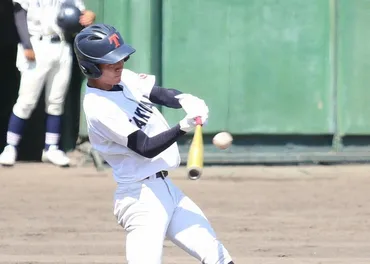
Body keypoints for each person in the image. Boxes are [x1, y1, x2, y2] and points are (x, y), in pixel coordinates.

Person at [74, 23, 235, 264]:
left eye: (121, 58)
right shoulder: (99, 107)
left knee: (217, 256)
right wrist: (183, 126)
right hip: (140, 198)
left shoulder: (122, 78)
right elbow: (145, 147)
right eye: (110, 62)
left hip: (168, 190)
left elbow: (159, 94)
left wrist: (185, 99)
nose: (119, 65)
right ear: (90, 67)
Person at [0, 0, 96, 166]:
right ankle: (10, 147)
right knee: (26, 101)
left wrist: (89, 16)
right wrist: (26, 44)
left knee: (56, 102)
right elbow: (19, 14)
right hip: (36, 43)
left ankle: (51, 148)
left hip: (61, 45)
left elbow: (80, 14)